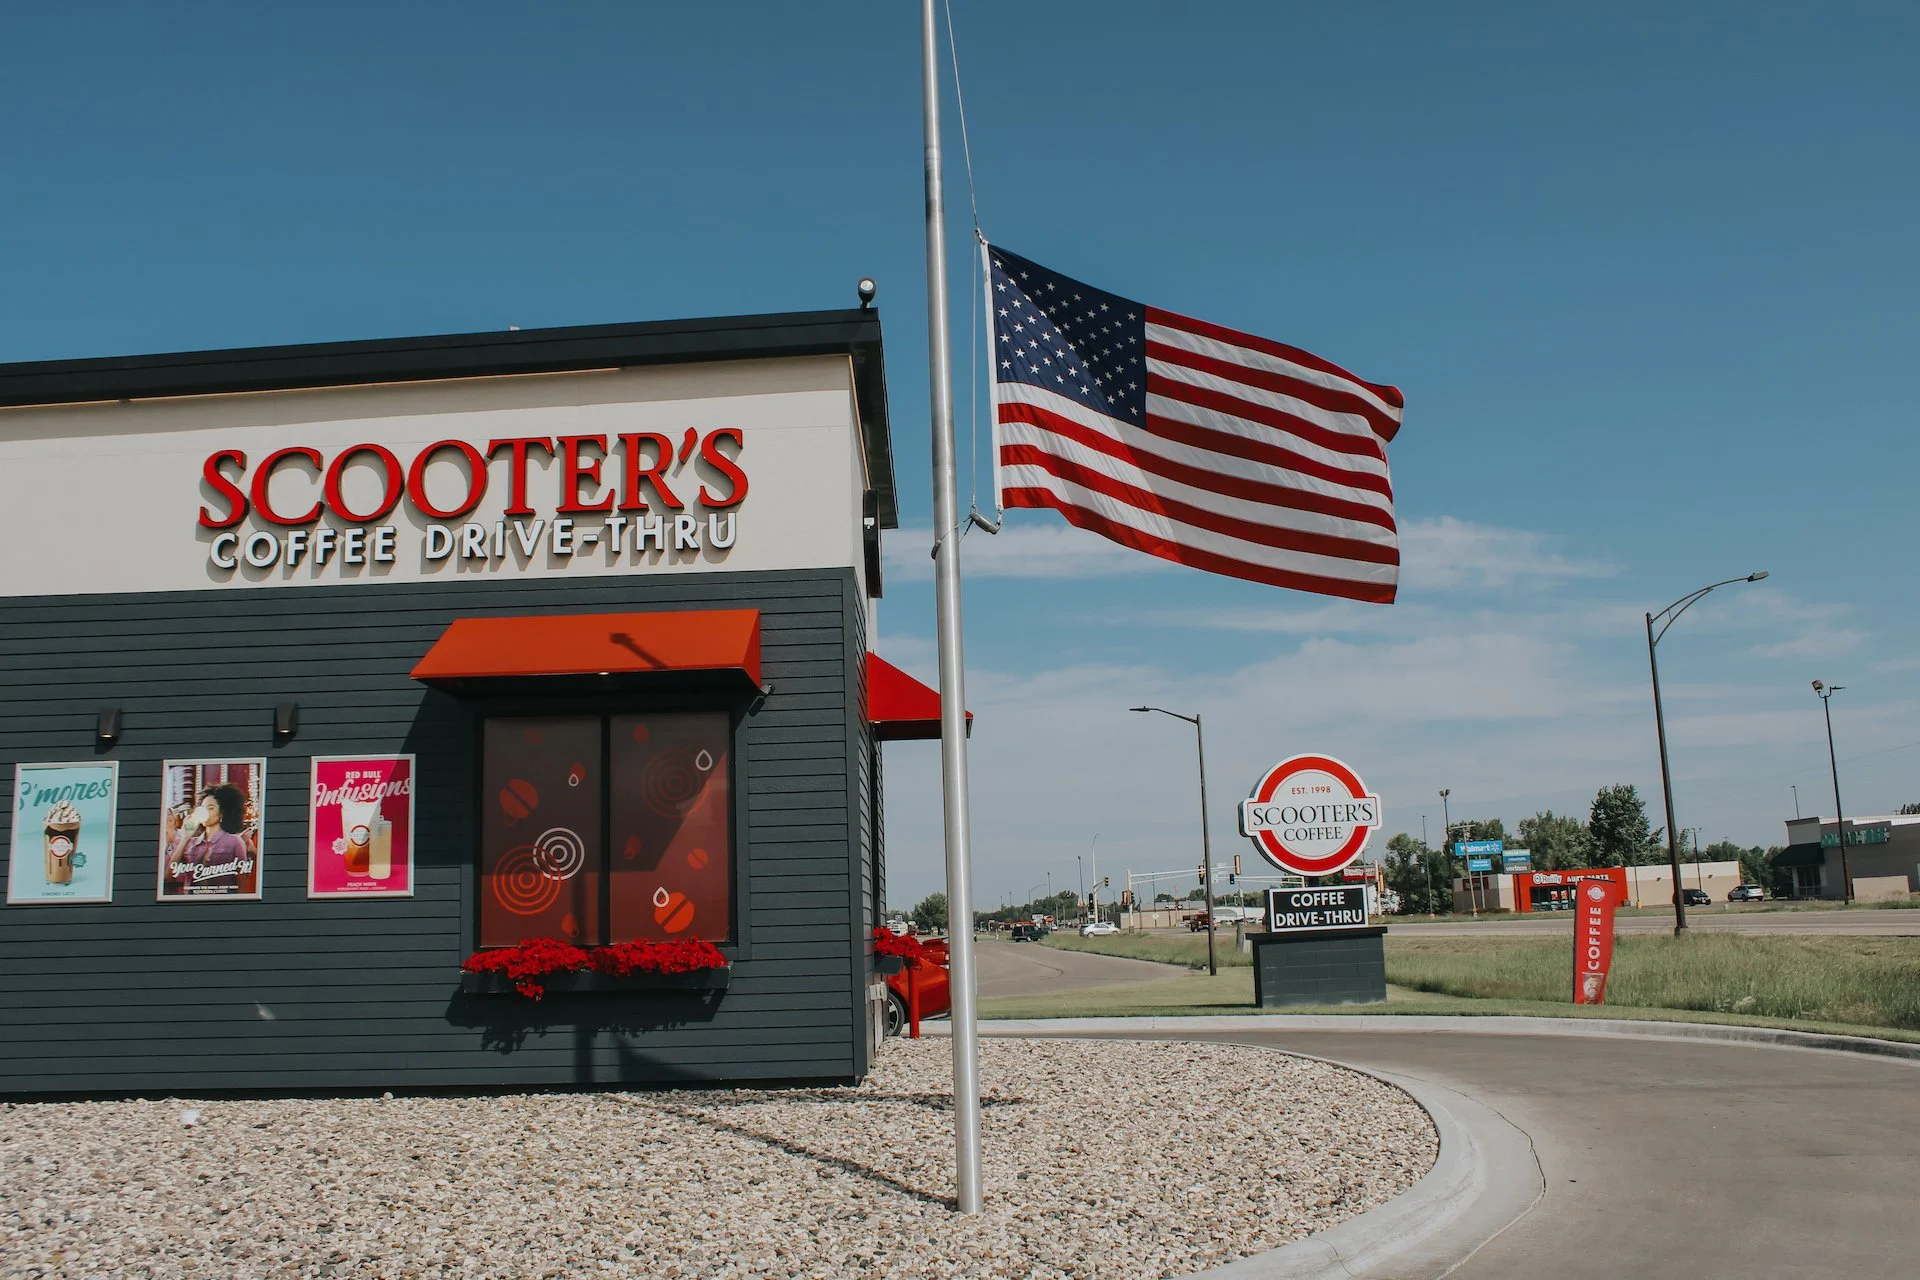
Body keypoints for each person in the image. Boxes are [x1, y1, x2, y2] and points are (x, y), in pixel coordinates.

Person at [164, 784, 252, 895]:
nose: (205, 813)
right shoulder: (190, 844)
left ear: (222, 812)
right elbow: (169, 877)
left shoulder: (234, 842)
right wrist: (185, 837)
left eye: (210, 808)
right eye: (202, 809)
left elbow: (242, 884)